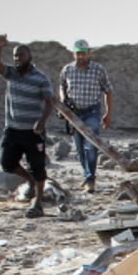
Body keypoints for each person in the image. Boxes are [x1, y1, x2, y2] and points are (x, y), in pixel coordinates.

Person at [0, 34, 54, 218]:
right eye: (16, 56)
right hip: (12, 129)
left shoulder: (40, 78)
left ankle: (38, 203)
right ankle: (31, 181)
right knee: (7, 163)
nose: (18, 59)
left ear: (29, 57)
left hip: (33, 131)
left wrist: (42, 121)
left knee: (38, 166)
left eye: (21, 56)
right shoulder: (11, 73)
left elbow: (49, 102)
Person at [58, 39, 114, 193]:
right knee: (79, 148)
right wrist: (63, 100)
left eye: (83, 53)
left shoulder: (98, 70)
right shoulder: (67, 70)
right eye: (78, 53)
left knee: (91, 145)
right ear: (73, 53)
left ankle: (90, 178)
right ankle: (86, 174)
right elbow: (62, 86)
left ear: (89, 53)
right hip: (74, 113)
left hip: (92, 111)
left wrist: (108, 113)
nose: (81, 56)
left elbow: (108, 91)